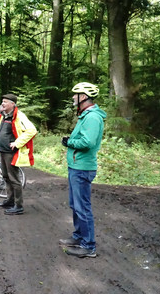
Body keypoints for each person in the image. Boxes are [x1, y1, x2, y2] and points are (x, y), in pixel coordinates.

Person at [59, 82, 106, 258]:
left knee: (82, 207)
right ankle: (79, 237)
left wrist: (69, 142)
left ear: (84, 97)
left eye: (75, 94)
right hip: (76, 166)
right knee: (75, 205)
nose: (73, 97)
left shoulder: (92, 117)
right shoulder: (85, 115)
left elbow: (88, 142)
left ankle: (88, 246)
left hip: (82, 168)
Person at [0, 94, 37, 215]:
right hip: (2, 151)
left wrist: (17, 143)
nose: (3, 104)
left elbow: (32, 130)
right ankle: (10, 200)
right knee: (6, 177)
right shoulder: (3, 115)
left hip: (11, 153)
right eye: (2, 101)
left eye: (5, 102)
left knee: (14, 179)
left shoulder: (19, 115)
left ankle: (18, 205)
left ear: (13, 104)